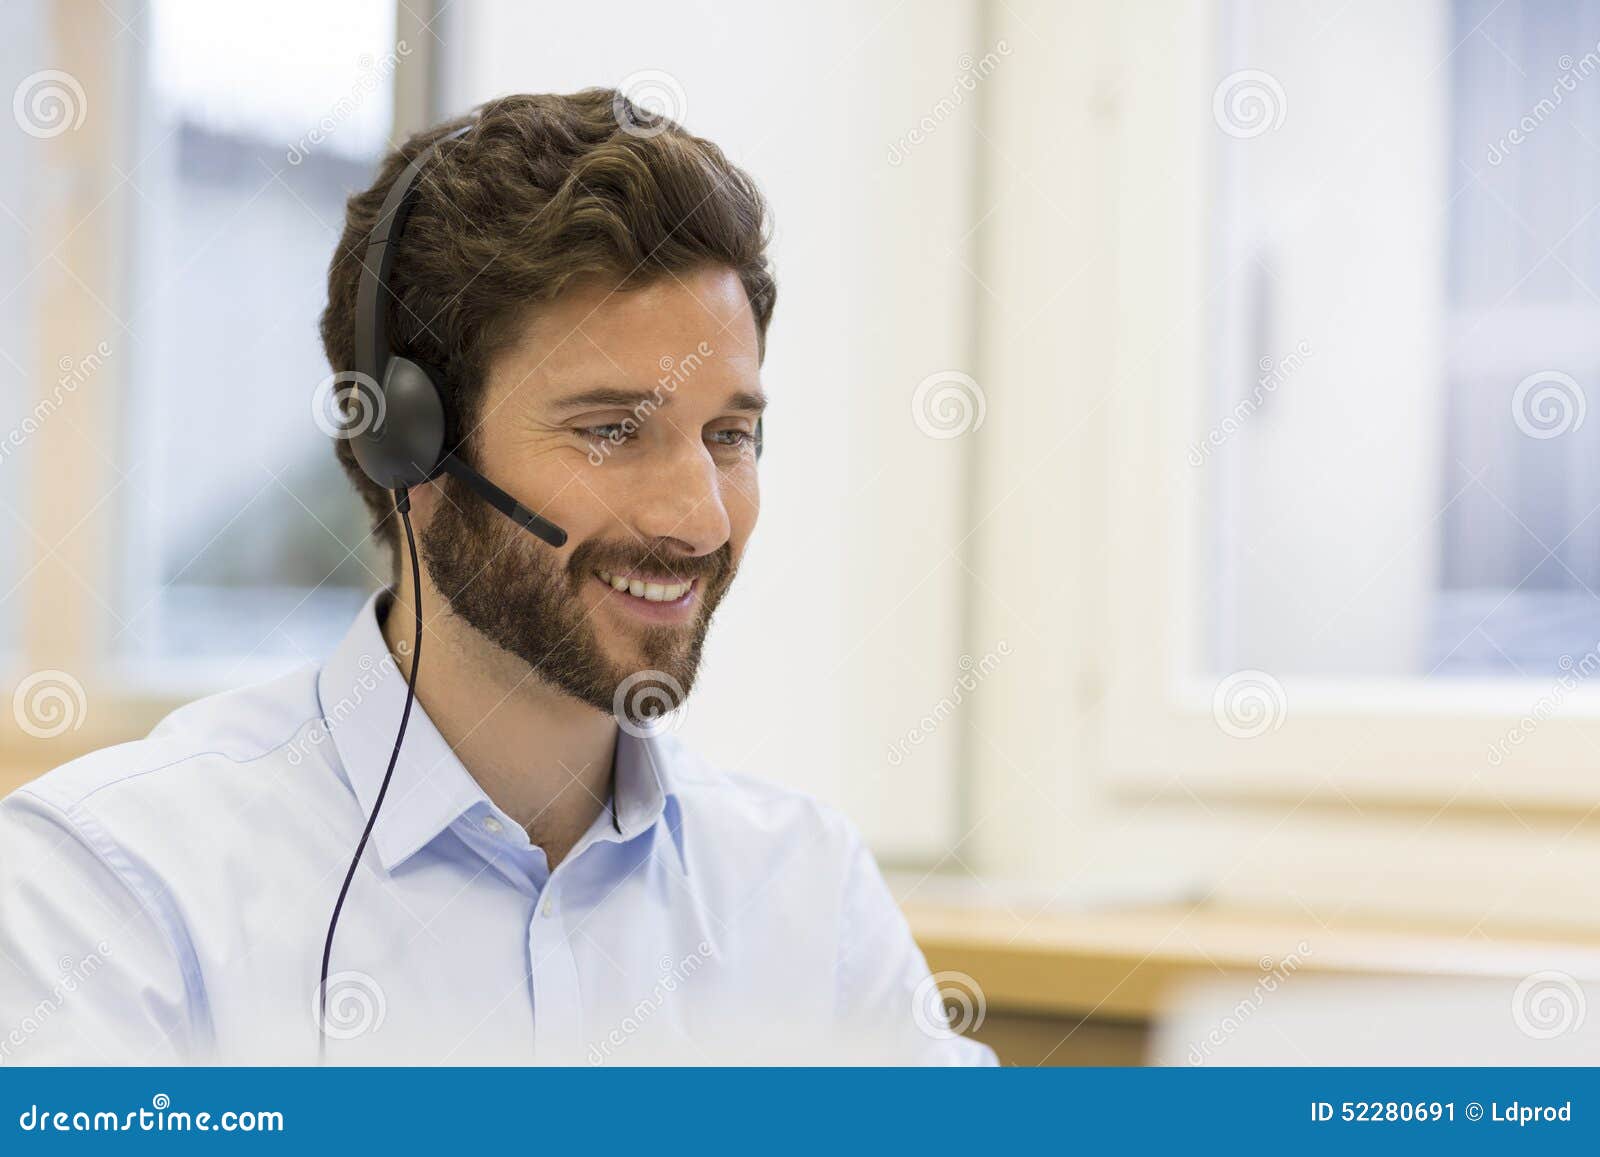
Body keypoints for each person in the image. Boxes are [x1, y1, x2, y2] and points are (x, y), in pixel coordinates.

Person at [0, 90, 995, 1066]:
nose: (698, 516)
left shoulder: (804, 894)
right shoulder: (111, 887)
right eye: (612, 429)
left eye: (730, 434)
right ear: (410, 450)